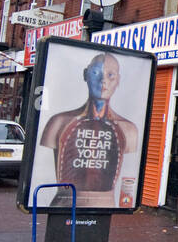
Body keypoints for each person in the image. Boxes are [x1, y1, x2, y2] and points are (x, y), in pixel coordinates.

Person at [39, 51, 140, 208]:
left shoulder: (128, 129)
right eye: (95, 73)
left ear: (118, 80)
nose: (102, 81)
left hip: (105, 205)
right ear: (86, 75)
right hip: (65, 204)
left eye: (110, 75)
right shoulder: (59, 122)